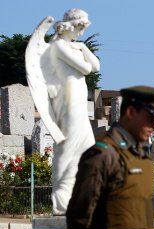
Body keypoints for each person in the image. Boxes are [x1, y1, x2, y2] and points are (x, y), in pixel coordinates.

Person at [66, 86, 154, 229]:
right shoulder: (103, 154)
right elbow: (79, 210)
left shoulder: (141, 157)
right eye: (151, 118)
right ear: (130, 112)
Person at [48, 9, 100, 215]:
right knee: (67, 149)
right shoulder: (58, 46)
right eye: (80, 28)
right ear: (70, 25)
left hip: (78, 104)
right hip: (67, 104)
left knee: (87, 149)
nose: (81, 32)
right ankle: (60, 201)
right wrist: (80, 49)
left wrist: (83, 47)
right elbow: (85, 69)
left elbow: (95, 65)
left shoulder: (75, 46)